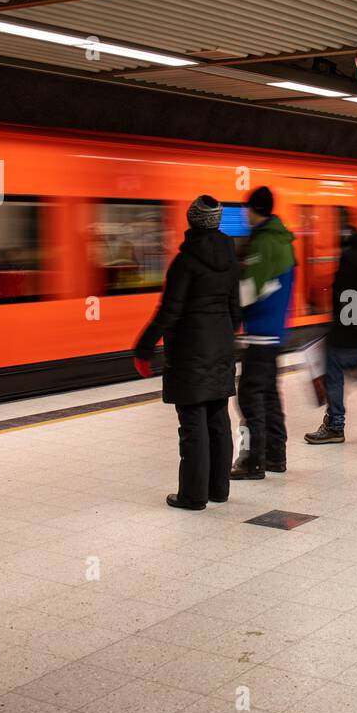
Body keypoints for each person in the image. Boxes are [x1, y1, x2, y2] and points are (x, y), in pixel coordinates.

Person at [133, 196, 241, 510]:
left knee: (193, 423)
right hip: (220, 346)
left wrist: (144, 347)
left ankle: (193, 496)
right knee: (218, 419)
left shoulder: (185, 261)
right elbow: (236, 312)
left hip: (191, 352)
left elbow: (169, 311)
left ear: (191, 220)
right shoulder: (230, 256)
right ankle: (218, 489)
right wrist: (220, 334)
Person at [231, 186, 295, 480]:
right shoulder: (283, 240)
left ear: (254, 209)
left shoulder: (264, 242)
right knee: (269, 396)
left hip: (259, 333)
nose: (244, 214)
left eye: (246, 208)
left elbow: (251, 289)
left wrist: (232, 308)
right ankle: (275, 456)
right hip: (275, 332)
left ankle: (251, 461)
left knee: (248, 398)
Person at [304, 229, 357, 445]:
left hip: (344, 331)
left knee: (334, 377)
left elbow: (340, 296)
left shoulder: (349, 261)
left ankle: (335, 426)